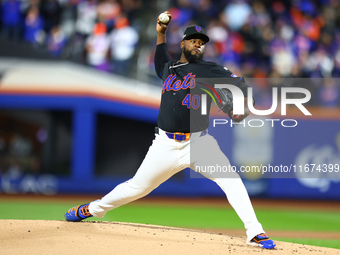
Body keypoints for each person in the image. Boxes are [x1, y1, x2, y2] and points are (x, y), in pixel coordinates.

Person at [65, 11, 276, 250]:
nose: (198, 44)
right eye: (193, 40)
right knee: (137, 188)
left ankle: (255, 231)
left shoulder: (210, 69)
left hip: (199, 144)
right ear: (183, 43)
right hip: (164, 144)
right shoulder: (168, 68)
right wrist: (161, 32)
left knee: (232, 181)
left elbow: (240, 84)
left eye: (202, 42)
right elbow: (161, 54)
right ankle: (90, 209)